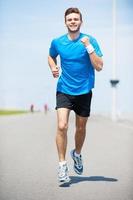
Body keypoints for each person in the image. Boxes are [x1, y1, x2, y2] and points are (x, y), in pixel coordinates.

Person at [48, 7, 103, 185]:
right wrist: (53, 67)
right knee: (62, 126)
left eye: (76, 19)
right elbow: (50, 56)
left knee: (80, 129)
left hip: (84, 91)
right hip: (64, 88)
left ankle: (77, 154)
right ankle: (63, 165)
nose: (73, 21)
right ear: (65, 22)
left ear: (81, 21)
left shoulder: (90, 40)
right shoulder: (57, 42)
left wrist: (88, 47)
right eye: (70, 19)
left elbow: (99, 66)